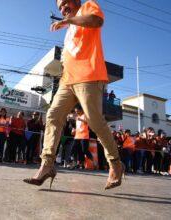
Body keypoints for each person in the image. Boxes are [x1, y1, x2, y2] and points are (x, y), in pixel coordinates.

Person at [24, 0, 124, 190]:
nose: (62, 9)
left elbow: (96, 21)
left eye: (65, 3)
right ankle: (47, 164)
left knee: (94, 120)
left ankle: (116, 164)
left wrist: (67, 22)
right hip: (67, 80)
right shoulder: (70, 29)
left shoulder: (88, 6)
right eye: (60, 7)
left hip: (89, 76)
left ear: (76, 1)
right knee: (53, 115)